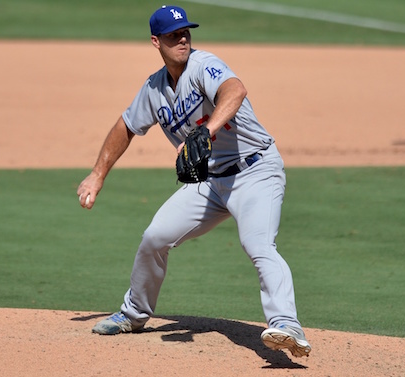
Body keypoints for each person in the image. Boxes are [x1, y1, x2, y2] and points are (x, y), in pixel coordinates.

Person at [76, 5, 311, 358]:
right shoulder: (154, 89)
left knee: (258, 244)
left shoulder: (204, 65)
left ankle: (287, 326)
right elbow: (125, 126)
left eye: (186, 31)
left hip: (255, 172)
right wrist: (97, 175)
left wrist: (207, 130)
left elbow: (235, 89)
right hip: (210, 183)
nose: (182, 38)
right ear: (157, 42)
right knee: (155, 238)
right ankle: (133, 313)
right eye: (173, 35)